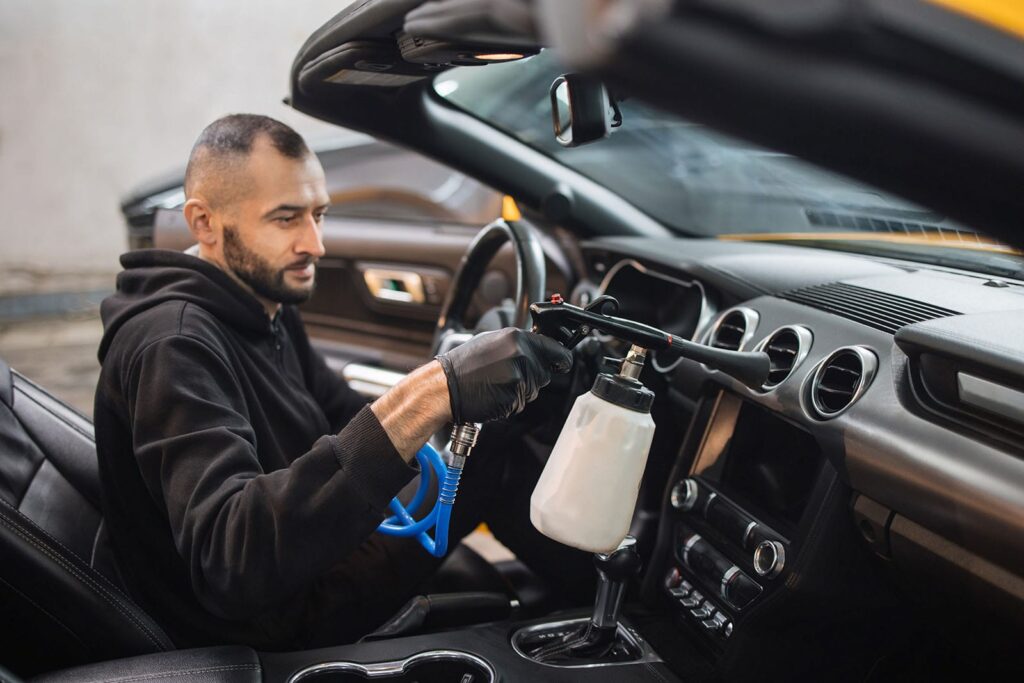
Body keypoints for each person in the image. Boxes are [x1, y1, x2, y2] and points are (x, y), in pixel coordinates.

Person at [94, 114, 573, 649]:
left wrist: (455, 394)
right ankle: (625, 606)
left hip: (304, 553)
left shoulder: (263, 304)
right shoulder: (173, 346)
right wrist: (434, 390)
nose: (315, 244)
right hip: (270, 620)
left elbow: (339, 412)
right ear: (204, 223)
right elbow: (232, 562)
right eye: (286, 219)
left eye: (319, 215)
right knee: (496, 459)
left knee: (495, 433)